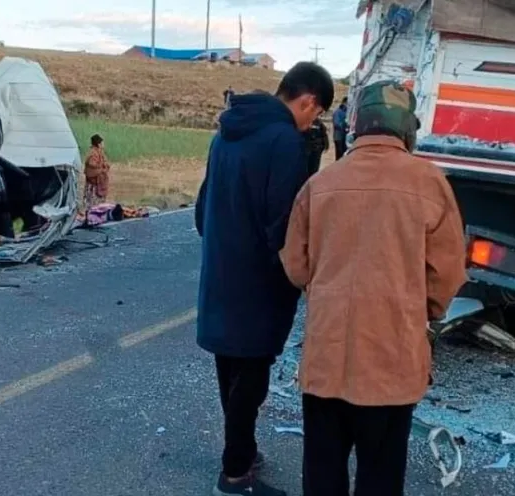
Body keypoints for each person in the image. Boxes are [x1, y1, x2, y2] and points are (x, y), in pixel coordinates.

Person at [279, 81, 467, 496]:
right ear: (406, 128)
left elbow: (295, 266)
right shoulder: (431, 184)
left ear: (357, 124)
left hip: (327, 359)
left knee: (322, 473)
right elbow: (447, 275)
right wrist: (423, 312)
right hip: (392, 362)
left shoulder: (321, 185)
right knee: (381, 476)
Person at [195, 61, 334, 496]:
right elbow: (285, 223)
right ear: (308, 100)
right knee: (251, 378)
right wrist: (302, 274)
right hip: (260, 282)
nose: (315, 122)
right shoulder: (283, 141)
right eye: (318, 113)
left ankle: (243, 451)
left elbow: (202, 211)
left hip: (220, 271)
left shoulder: (226, 133)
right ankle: (235, 474)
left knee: (230, 371)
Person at [83, 134, 110, 209]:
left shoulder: (99, 152)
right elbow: (92, 165)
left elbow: (106, 164)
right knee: (93, 204)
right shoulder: (93, 153)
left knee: (98, 204)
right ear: (99, 144)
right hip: (93, 184)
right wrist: (102, 168)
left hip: (98, 183)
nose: (103, 144)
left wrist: (104, 167)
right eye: (102, 143)